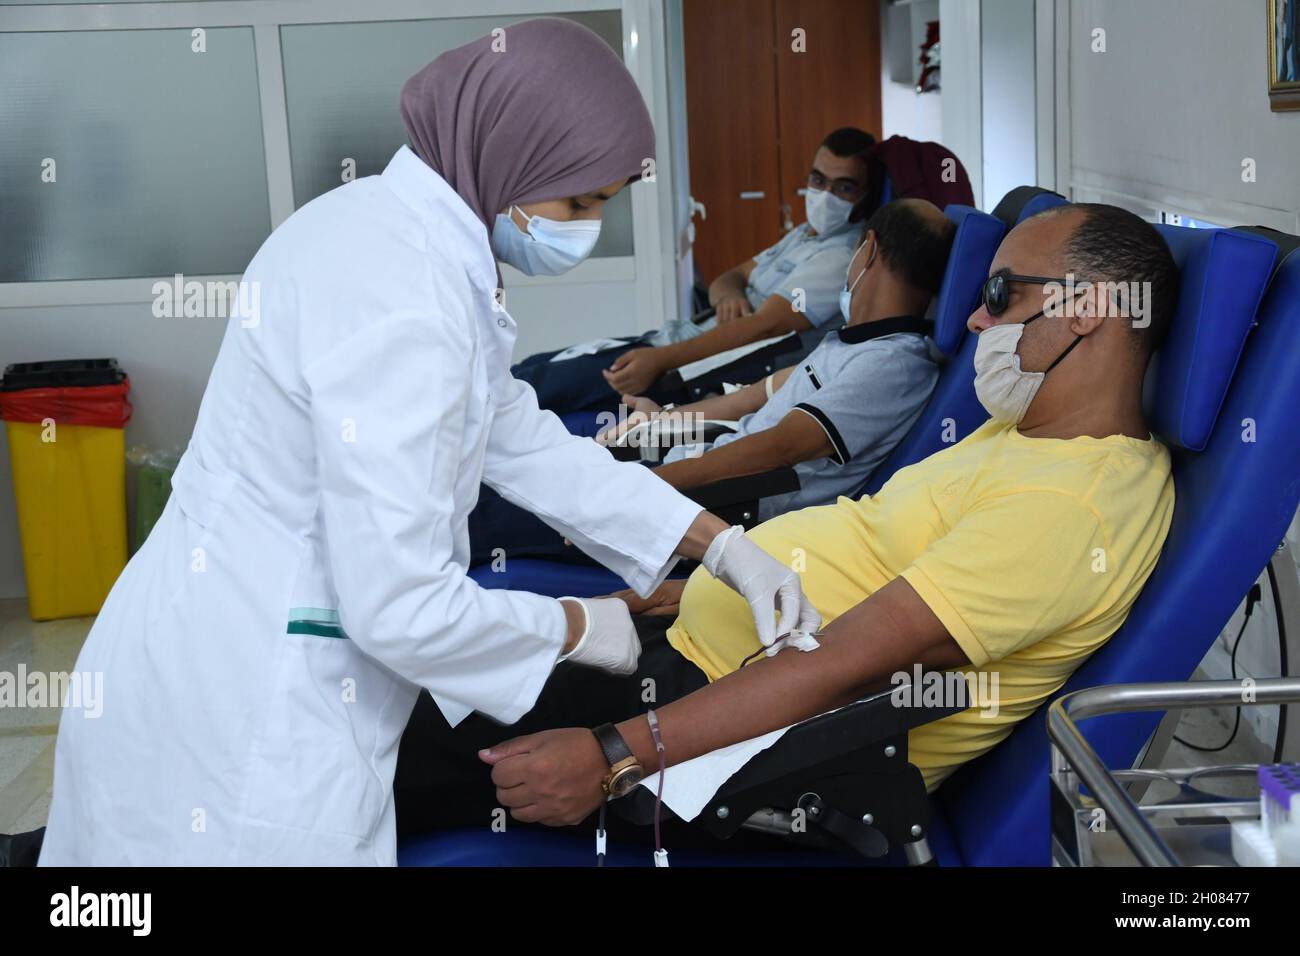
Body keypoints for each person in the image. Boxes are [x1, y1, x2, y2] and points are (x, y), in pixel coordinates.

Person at [37, 18, 818, 867]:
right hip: (249, 709)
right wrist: (576, 628)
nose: (586, 226)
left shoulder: (385, 231)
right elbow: (400, 607)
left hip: (208, 634)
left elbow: (521, 438)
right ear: (512, 156)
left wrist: (720, 546)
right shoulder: (402, 298)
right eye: (580, 202)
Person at [393, 202, 1180, 833]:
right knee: (409, 677)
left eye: (1003, 294)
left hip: (728, 740)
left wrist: (613, 755)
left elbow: (847, 668)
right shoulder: (1023, 431)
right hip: (694, 652)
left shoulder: (1072, 508)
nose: (977, 321)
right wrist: (666, 597)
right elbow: (860, 549)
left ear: (1089, 310)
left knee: (390, 741)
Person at [464, 199, 952, 565]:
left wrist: (646, 488)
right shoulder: (853, 342)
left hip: (719, 505)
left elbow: (778, 449)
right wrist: (664, 425)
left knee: (492, 511)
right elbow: (757, 397)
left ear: (866, 250)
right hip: (690, 472)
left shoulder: (894, 365)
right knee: (517, 467)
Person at [511, 128, 875, 414]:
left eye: (843, 187)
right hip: (673, 339)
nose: (825, 194)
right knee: (532, 367)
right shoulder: (805, 235)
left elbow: (766, 325)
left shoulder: (840, 256)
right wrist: (731, 295)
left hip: (692, 370)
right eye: (818, 180)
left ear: (866, 195)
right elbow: (726, 279)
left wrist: (659, 361)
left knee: (534, 386)